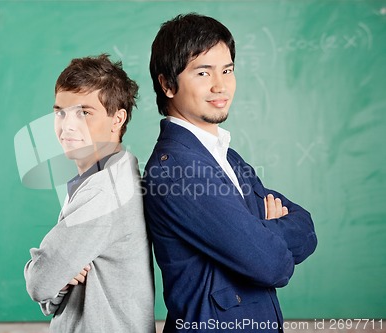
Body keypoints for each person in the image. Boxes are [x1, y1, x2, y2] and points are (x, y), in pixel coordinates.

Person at [143, 13, 317, 332]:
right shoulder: (179, 170)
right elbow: (272, 264)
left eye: (227, 70)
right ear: (167, 84)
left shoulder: (226, 154)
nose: (220, 85)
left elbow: (306, 228)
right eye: (203, 72)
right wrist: (264, 230)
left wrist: (262, 234)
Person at [24, 54, 155, 333]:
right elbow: (50, 297)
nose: (67, 126)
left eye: (84, 112)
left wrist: (48, 272)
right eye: (60, 112)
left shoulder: (106, 191)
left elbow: (40, 283)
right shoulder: (103, 175)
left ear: (117, 118)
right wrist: (59, 276)